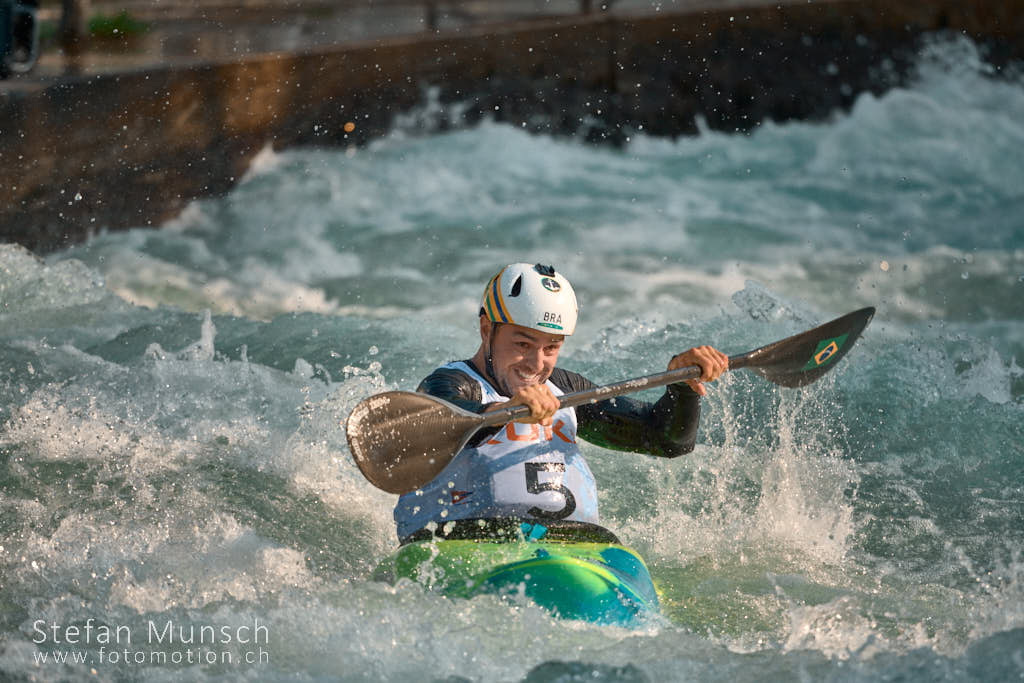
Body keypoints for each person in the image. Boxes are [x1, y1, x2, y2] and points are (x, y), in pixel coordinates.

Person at [394, 263, 728, 542]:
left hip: (568, 548)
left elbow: (665, 440)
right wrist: (505, 414)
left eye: (551, 348)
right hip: (461, 545)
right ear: (486, 330)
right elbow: (438, 426)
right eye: (523, 343)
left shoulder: (565, 389)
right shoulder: (451, 384)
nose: (536, 364)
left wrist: (682, 388)